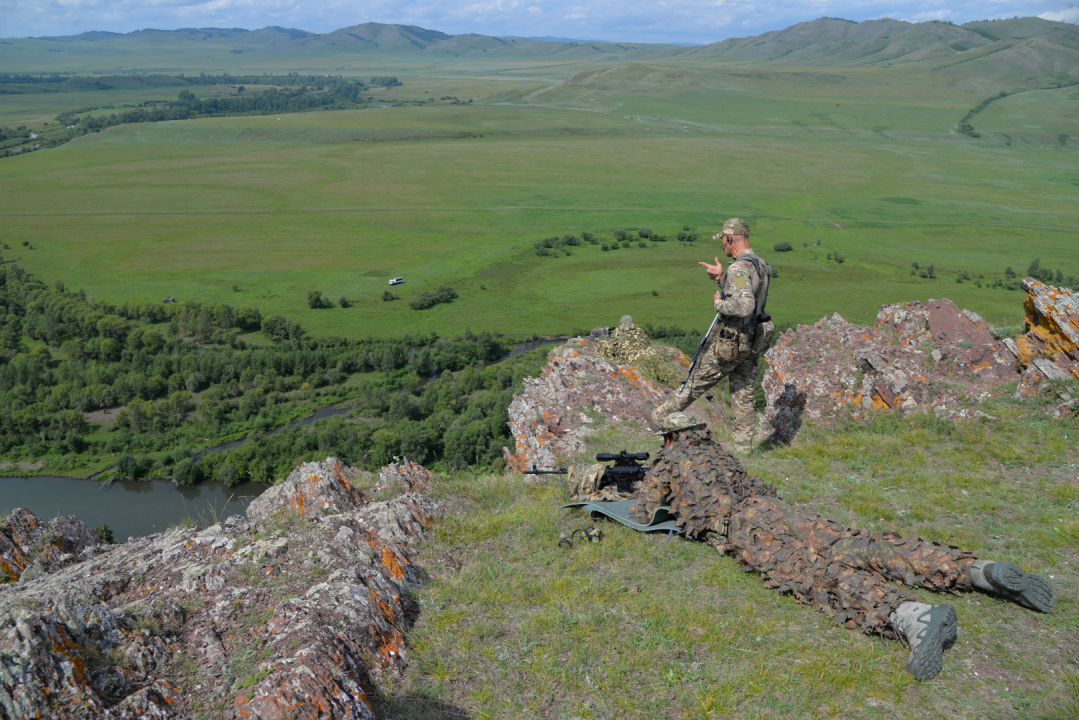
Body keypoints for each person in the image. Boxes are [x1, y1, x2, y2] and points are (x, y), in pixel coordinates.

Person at [629, 412, 1054, 682]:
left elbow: (643, 513)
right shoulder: (718, 451)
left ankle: (912, 616)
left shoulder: (668, 459)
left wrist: (640, 481)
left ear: (668, 437)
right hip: (774, 507)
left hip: (744, 527)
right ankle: (977, 570)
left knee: (812, 574)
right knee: (862, 546)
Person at [644, 218, 774, 453]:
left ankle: (659, 417)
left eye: (723, 242)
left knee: (696, 381)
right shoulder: (760, 264)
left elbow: (744, 306)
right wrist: (722, 278)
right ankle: (744, 450)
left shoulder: (738, 268)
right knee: (743, 395)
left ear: (729, 238)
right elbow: (751, 295)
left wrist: (718, 304)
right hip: (753, 339)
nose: (723, 247)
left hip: (732, 341)